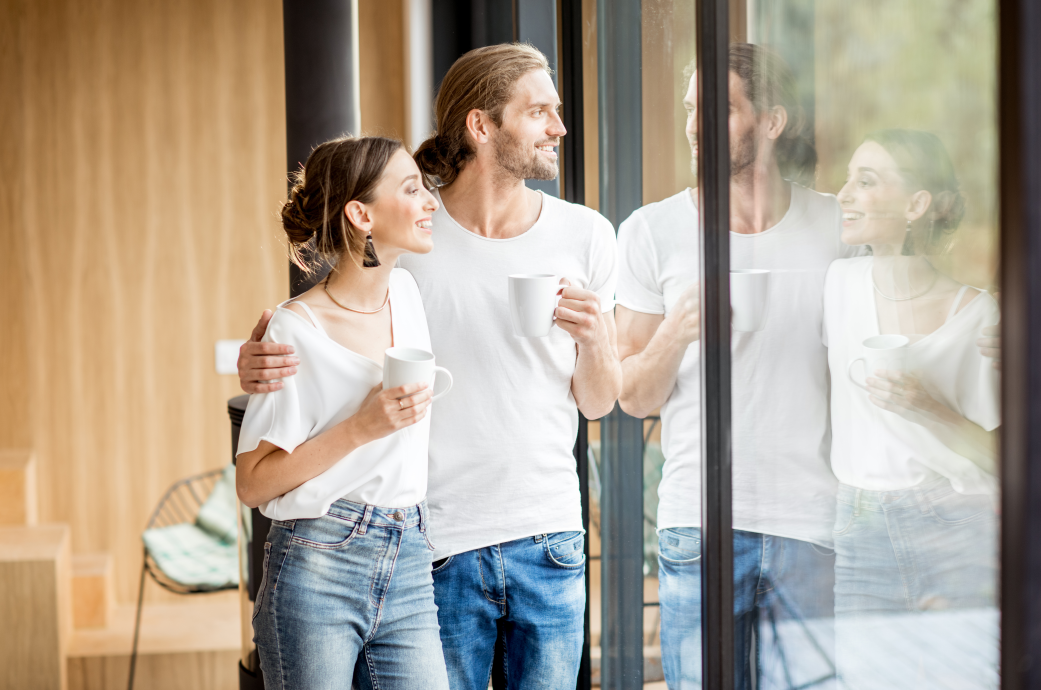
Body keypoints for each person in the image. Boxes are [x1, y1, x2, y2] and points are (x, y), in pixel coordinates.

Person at [238, 43, 620, 690]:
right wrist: (265, 354)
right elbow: (336, 315)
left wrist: (597, 337)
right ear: (481, 124)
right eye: (539, 111)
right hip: (434, 539)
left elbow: (599, 401)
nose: (559, 127)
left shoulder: (586, 235)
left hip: (548, 531)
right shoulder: (412, 237)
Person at [616, 44, 853, 689]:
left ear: (771, 121)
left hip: (813, 520)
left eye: (717, 109)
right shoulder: (651, 232)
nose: (695, 124)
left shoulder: (836, 226)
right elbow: (633, 395)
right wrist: (680, 329)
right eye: (692, 108)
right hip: (701, 524)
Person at [234, 136, 448, 689]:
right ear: (361, 214)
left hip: (409, 558)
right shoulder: (293, 330)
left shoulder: (405, 292)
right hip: (319, 564)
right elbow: (253, 484)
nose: (429, 201)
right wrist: (362, 427)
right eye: (411, 189)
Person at [824, 129, 999, 687]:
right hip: (860, 520)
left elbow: (1002, 457)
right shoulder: (837, 284)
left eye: (867, 181)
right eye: (849, 177)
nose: (844, 193)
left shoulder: (980, 317)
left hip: (955, 522)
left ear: (918, 204)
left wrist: (930, 407)